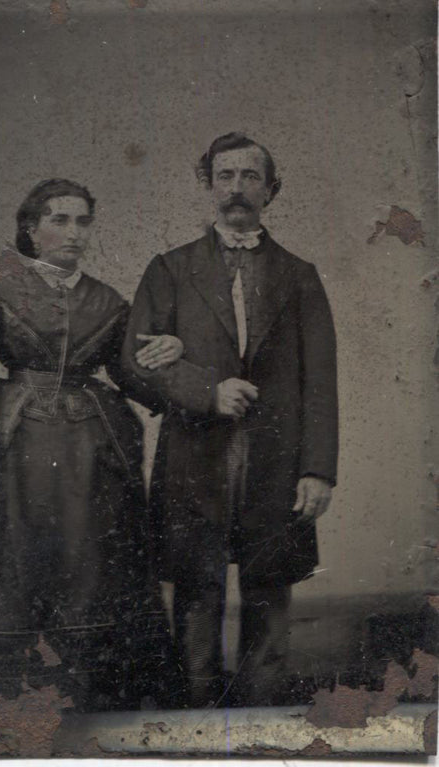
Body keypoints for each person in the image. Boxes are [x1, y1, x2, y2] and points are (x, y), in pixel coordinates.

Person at [0, 178, 184, 709]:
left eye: (82, 221)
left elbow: (132, 376)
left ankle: (93, 691)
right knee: (20, 557)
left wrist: (170, 352)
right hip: (18, 445)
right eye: (59, 220)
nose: (73, 232)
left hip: (94, 448)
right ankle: (21, 698)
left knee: (94, 561)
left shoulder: (106, 300)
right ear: (31, 230)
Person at [121, 133, 338, 708]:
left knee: (269, 583)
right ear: (208, 185)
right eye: (224, 176)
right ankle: (196, 717)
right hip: (196, 451)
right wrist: (206, 391)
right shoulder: (170, 269)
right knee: (198, 583)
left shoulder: (299, 275)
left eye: (249, 176)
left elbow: (320, 381)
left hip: (276, 455)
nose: (236, 188)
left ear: (271, 190)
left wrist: (318, 470)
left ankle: (261, 718)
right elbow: (132, 363)